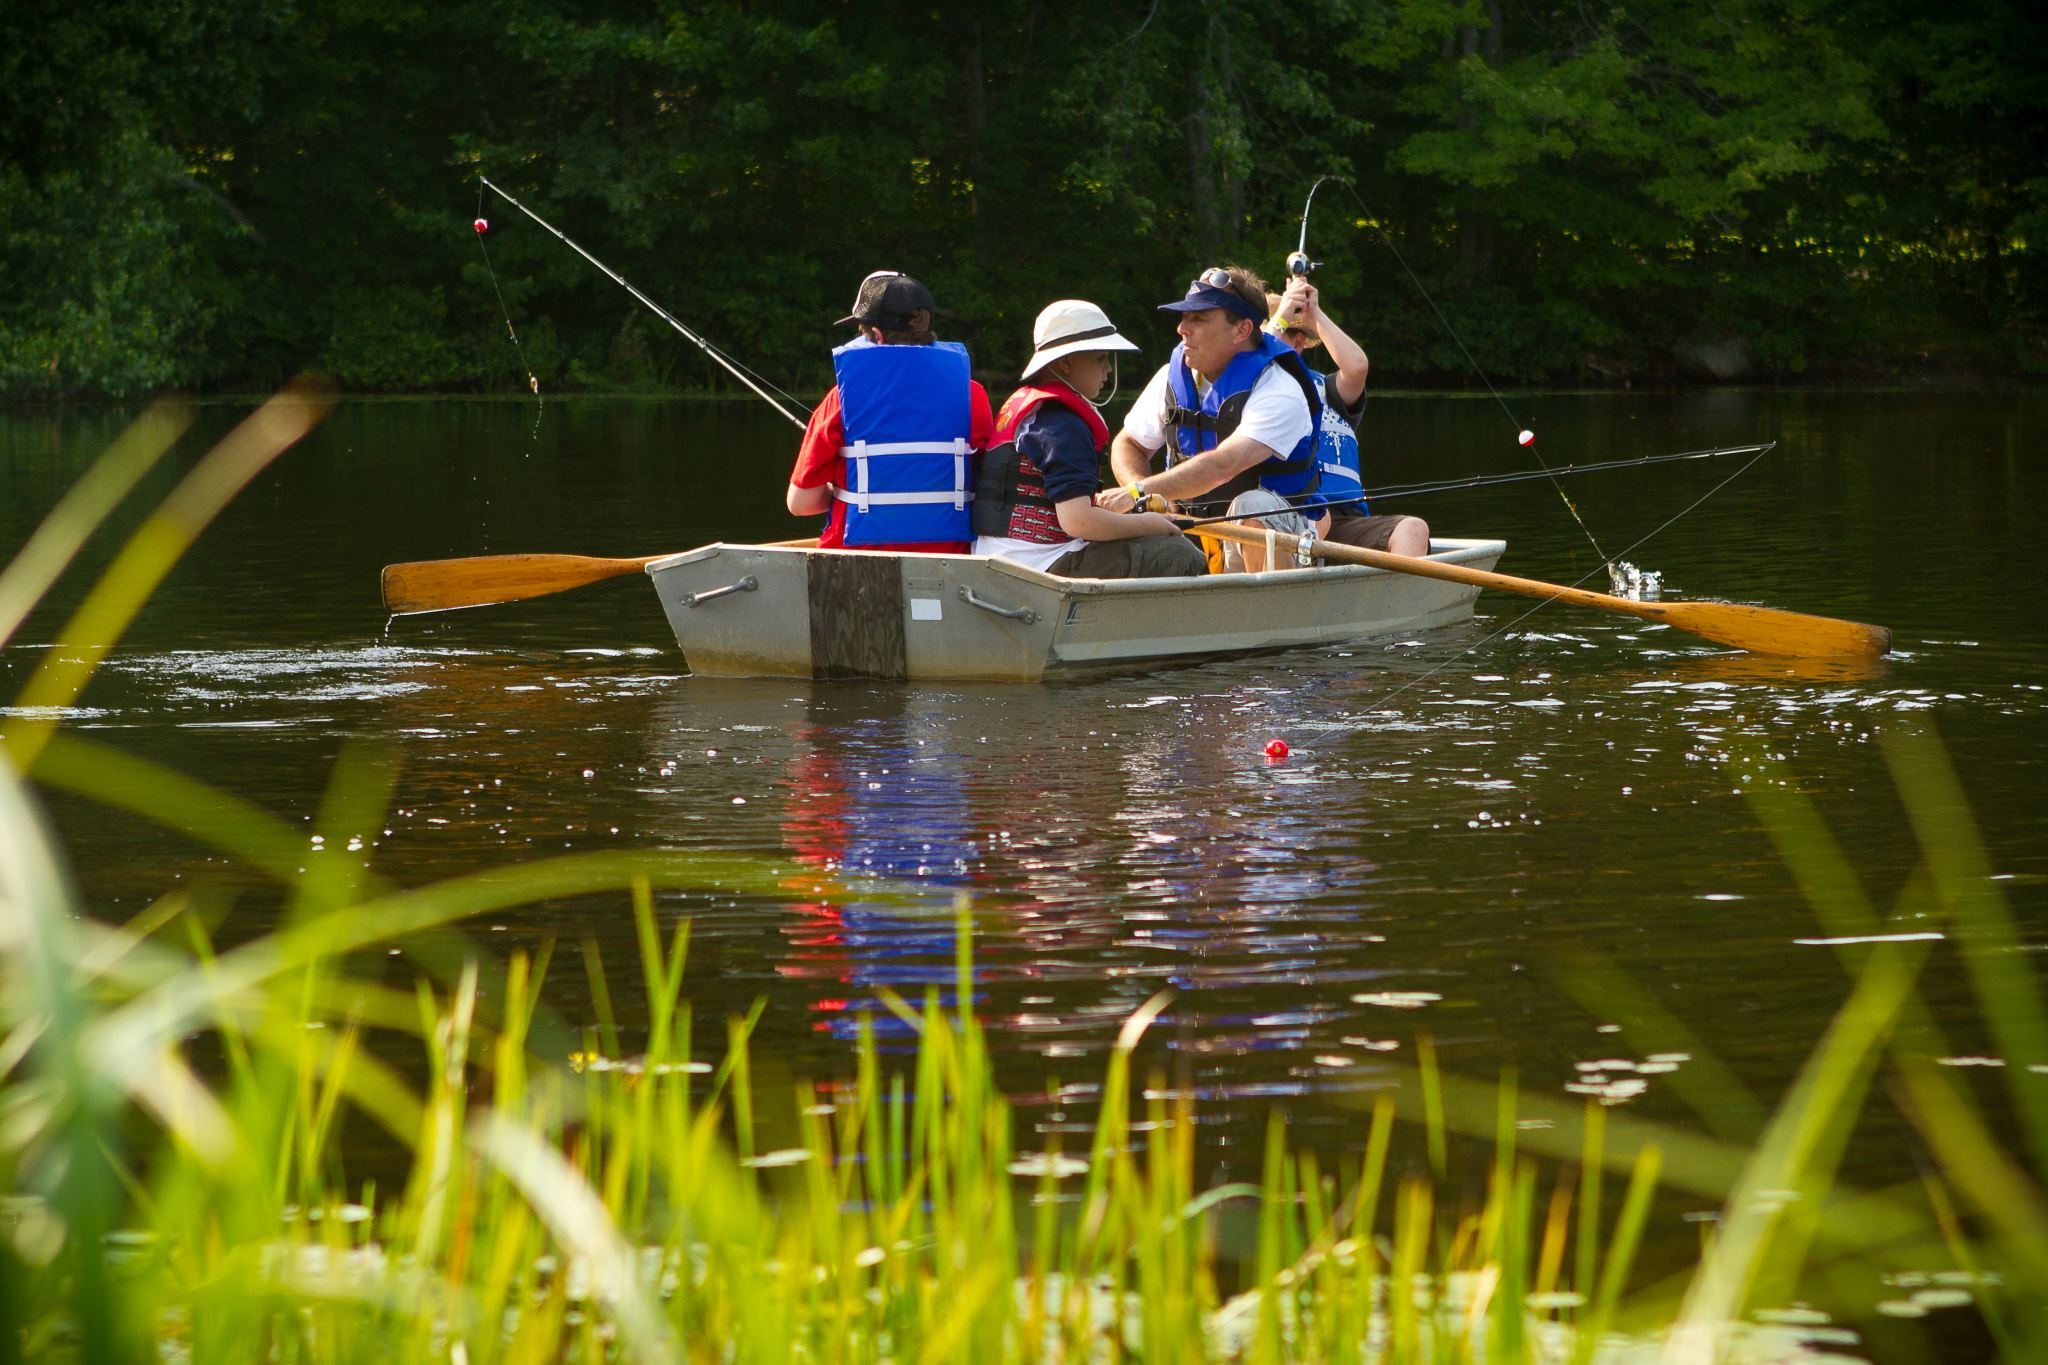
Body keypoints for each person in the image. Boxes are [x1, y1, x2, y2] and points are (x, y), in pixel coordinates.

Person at [1098, 265, 1323, 573]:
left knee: (1252, 505)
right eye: (1183, 317)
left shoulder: (1280, 389)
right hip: (1193, 526)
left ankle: (1268, 614)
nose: (1182, 328)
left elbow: (1223, 466)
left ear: (1241, 330)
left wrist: (1137, 492)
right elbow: (1129, 443)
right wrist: (1146, 497)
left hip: (1277, 530)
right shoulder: (1171, 378)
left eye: (1199, 318)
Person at [972, 300, 1206, 578]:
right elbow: (1078, 521)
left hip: (996, 558)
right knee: (1179, 554)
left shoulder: (1035, 414)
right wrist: (1151, 524)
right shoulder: (1064, 425)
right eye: (1100, 358)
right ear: (1065, 363)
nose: (1108, 368)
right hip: (1037, 566)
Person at [785, 271, 995, 553]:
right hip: (948, 561)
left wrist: (843, 489)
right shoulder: (974, 395)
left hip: (856, 563)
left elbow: (800, 504)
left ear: (878, 336)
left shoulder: (840, 399)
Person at [1267, 279, 1431, 556]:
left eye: (1276, 329)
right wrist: (1282, 315)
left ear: (1297, 344)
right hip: (1288, 521)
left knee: (1413, 528)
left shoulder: (1330, 391)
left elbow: (1357, 367)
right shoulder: (1253, 389)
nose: (1263, 342)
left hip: (1345, 522)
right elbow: (1256, 362)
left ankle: (1394, 600)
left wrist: (1314, 313)